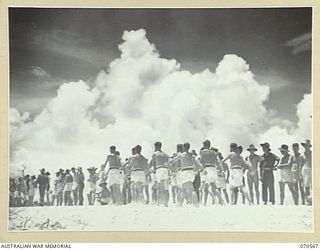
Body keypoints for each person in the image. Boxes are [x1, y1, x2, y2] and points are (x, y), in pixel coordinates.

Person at [199, 140, 223, 205]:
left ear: (205, 145)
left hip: (207, 169)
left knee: (206, 187)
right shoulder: (214, 152)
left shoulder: (203, 152)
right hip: (213, 169)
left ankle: (204, 202)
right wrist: (221, 170)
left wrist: (198, 168)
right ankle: (221, 200)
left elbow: (201, 161)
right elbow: (218, 162)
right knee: (214, 187)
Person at [149, 141, 170, 207]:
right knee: (166, 188)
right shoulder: (166, 155)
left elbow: (152, 164)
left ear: (156, 146)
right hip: (165, 170)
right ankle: (166, 203)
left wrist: (148, 170)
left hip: (159, 169)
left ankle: (158, 202)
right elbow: (168, 164)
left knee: (159, 187)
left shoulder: (155, 154)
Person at [301, 139, 312, 205]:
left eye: (307, 146)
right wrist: (300, 174)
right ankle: (308, 201)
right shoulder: (302, 155)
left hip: (311, 169)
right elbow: (301, 164)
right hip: (305, 170)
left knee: (313, 186)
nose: (306, 147)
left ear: (309, 146)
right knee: (306, 186)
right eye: (305, 146)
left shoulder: (312, 154)